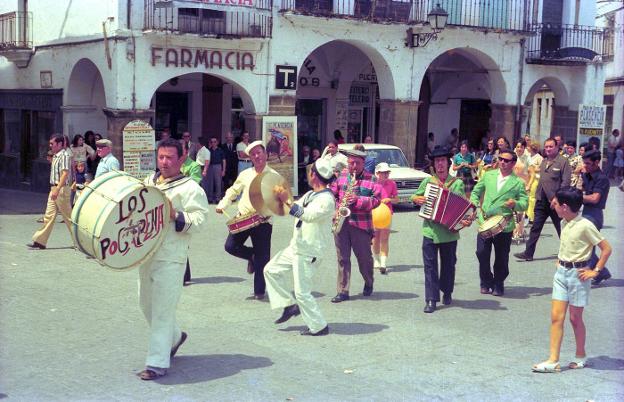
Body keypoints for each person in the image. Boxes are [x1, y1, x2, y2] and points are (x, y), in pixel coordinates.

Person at [137, 138, 209, 381]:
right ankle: (176, 337)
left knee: (162, 311)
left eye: (169, 157)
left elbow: (200, 220)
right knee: (145, 304)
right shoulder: (148, 182)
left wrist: (175, 215)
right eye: (161, 157)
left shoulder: (191, 188)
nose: (164, 162)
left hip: (171, 257)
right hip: (146, 253)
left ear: (181, 159)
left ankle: (157, 363)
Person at [531, 186, 612, 373]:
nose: (553, 205)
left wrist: (595, 271)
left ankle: (580, 355)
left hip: (578, 276)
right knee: (556, 318)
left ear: (565, 206)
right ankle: (553, 360)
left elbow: (606, 248)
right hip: (561, 274)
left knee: (575, 319)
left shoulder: (585, 225)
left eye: (556, 203)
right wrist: (560, 260)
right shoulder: (565, 221)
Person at [264, 159, 336, 337]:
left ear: (314, 176)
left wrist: (286, 201)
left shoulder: (327, 200)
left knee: (302, 292)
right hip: (297, 246)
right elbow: (293, 204)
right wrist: (281, 196)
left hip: (309, 250)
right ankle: (289, 305)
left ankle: (319, 326)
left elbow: (307, 215)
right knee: (270, 270)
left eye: (310, 171)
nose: (308, 174)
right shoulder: (311, 194)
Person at [216, 141, 276, 300]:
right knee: (230, 246)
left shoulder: (274, 176)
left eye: (259, 153)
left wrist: (267, 212)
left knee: (263, 257)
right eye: (253, 154)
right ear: (250, 158)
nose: (257, 156)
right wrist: (223, 204)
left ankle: (259, 291)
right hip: (243, 217)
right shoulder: (245, 174)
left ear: (266, 154)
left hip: (263, 221)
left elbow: (279, 200)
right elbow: (233, 191)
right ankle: (251, 256)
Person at [412, 146, 465, 313]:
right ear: (434, 165)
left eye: (442, 161)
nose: (440, 164)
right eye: (437, 161)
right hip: (430, 230)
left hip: (449, 233)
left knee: (449, 265)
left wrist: (466, 219)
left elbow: (464, 206)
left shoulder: (457, 184)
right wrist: (418, 199)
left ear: (448, 163)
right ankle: (431, 299)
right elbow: (415, 196)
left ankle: (447, 291)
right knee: (430, 266)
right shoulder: (428, 182)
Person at [471, 150, 528, 296]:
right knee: (481, 252)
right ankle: (486, 280)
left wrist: (515, 203)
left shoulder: (517, 183)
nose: (502, 162)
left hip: (504, 224)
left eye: (506, 160)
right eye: (500, 159)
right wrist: (474, 204)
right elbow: (476, 192)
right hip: (485, 221)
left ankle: (498, 283)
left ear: (513, 163)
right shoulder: (489, 175)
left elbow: (524, 203)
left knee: (502, 257)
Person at [329, 148, 381, 303]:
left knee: (364, 258)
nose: (354, 166)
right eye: (351, 163)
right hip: (342, 222)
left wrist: (358, 200)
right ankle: (343, 290)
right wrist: (334, 207)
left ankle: (369, 281)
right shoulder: (342, 176)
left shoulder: (372, 179)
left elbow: (377, 200)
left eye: (357, 163)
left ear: (363, 163)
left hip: (361, 224)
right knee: (343, 258)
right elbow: (332, 193)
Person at [514, 138, 571, 261]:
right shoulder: (544, 161)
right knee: (535, 227)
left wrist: (557, 198)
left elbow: (566, 183)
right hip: (541, 201)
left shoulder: (563, 162)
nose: (548, 149)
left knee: (562, 229)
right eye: (546, 147)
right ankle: (528, 253)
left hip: (556, 203)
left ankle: (570, 253)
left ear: (557, 147)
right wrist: (536, 197)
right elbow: (541, 180)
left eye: (551, 146)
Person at [27, 134, 74, 250]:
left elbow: (65, 174)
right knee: (49, 215)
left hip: (61, 189)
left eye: (52, 143)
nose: (50, 146)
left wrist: (57, 189)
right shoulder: (56, 155)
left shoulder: (64, 155)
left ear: (59, 144)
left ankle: (82, 241)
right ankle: (40, 241)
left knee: (69, 218)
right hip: (54, 189)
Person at [580, 150, 612, 286]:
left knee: (587, 247)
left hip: (595, 214)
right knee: (586, 246)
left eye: (588, 163)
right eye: (584, 163)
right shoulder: (588, 174)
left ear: (597, 162)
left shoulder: (601, 178)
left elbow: (594, 198)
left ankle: (597, 271)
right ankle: (602, 272)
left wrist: (576, 197)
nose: (585, 166)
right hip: (587, 212)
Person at [178, 140, 203, 286]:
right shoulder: (173, 165)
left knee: (182, 242)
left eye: (180, 150)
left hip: (187, 209)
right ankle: (185, 275)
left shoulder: (193, 166)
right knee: (179, 242)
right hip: (174, 208)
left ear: (186, 151)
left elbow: (194, 184)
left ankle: (183, 275)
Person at [372, 163, 397, 274]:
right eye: (383, 173)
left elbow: (396, 199)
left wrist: (389, 200)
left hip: (387, 214)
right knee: (375, 238)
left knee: (385, 238)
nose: (386, 174)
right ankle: (376, 259)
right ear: (377, 173)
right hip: (375, 214)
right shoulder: (372, 184)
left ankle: (383, 263)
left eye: (387, 172)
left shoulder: (392, 183)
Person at [512, 140, 530, 243]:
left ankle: (519, 232)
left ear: (524, 148)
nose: (519, 149)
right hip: (512, 185)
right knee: (512, 209)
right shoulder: (513, 156)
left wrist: (529, 185)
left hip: (523, 185)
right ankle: (513, 231)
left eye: (521, 147)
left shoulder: (528, 158)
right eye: (518, 146)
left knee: (520, 210)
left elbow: (531, 172)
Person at [205, 137, 226, 204]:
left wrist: (223, 170)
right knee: (210, 183)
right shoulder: (208, 150)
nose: (213, 143)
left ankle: (218, 198)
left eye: (215, 141)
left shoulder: (220, 150)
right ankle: (210, 198)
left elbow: (224, 161)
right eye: (212, 142)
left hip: (218, 167)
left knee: (218, 183)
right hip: (210, 167)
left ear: (217, 142)